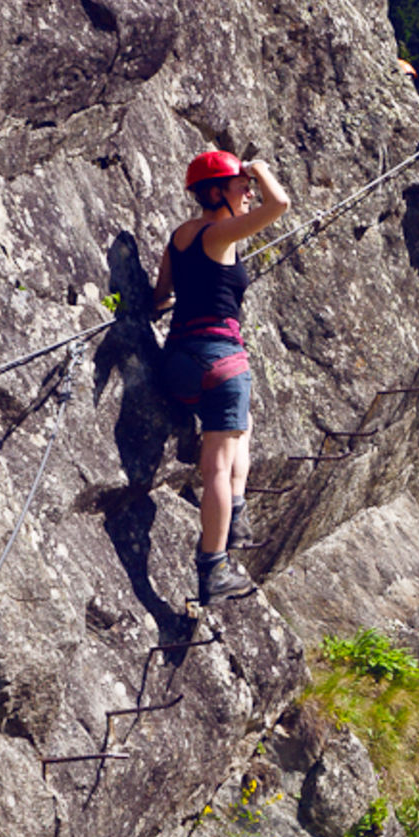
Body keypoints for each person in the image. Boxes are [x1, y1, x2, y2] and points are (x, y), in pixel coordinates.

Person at [145, 145, 290, 604]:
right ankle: (215, 565)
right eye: (241, 188)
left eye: (249, 188)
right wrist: (259, 168)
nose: (248, 194)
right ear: (216, 193)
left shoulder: (180, 236)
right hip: (222, 361)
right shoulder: (220, 234)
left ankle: (238, 515)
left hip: (178, 362)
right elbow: (280, 204)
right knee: (218, 470)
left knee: (241, 426)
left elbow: (161, 296)